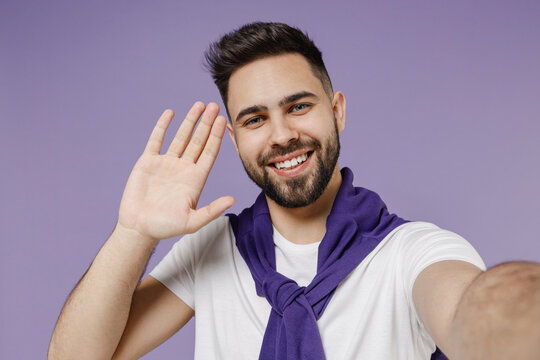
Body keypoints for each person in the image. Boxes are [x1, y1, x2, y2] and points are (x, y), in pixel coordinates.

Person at [48, 22, 540, 360]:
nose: (281, 134)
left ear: (337, 111)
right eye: (255, 118)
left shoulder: (414, 252)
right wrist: (133, 232)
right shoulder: (214, 251)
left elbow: (469, 313)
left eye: (299, 107)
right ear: (236, 138)